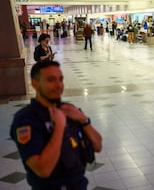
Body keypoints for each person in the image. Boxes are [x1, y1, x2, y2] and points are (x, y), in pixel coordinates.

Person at [10, 61, 102, 190]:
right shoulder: (26, 119)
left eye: (60, 79)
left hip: (79, 185)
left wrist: (84, 120)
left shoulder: (69, 110)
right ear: (35, 84)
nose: (58, 85)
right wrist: (59, 127)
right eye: (51, 80)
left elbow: (98, 146)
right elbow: (43, 170)